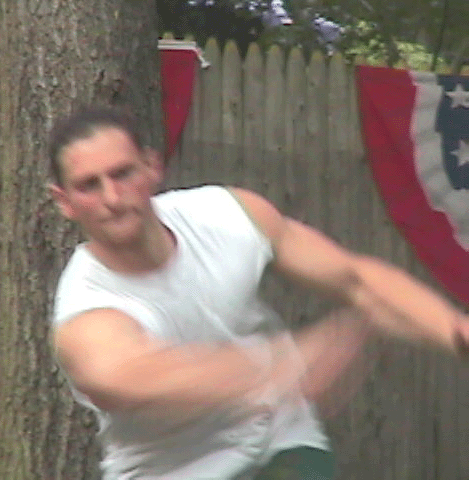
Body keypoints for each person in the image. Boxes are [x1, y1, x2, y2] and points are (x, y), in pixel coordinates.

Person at [48, 106, 469, 480]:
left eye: (123, 174)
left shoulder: (226, 216)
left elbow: (357, 282)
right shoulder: (86, 305)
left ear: (152, 167)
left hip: (281, 448)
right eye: (89, 185)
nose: (112, 198)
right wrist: (280, 367)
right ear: (64, 202)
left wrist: (457, 330)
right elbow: (135, 377)